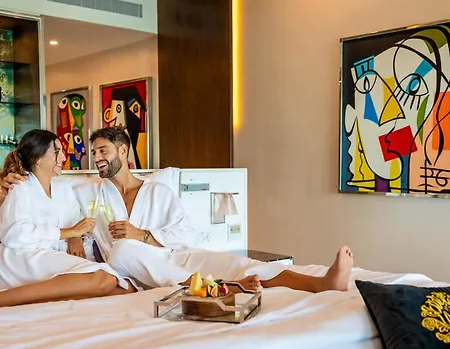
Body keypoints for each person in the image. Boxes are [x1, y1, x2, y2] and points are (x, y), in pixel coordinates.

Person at [0, 128, 354, 307]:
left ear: (123, 150)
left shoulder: (158, 191)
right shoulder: (87, 190)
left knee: (236, 262)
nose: (97, 158)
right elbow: (51, 200)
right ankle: (219, 288)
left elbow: (187, 236)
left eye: (103, 150)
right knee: (122, 251)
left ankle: (320, 283)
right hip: (132, 268)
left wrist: (142, 234)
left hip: (175, 257)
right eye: (94, 153)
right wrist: (5, 184)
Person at [0, 129, 137, 307]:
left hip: (51, 255)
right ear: (37, 159)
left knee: (124, 288)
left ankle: (38, 298)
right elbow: (14, 235)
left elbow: (76, 219)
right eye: (57, 152)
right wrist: (70, 232)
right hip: (23, 256)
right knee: (106, 279)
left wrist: (75, 237)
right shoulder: (20, 187)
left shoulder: (62, 188)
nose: (64, 158)